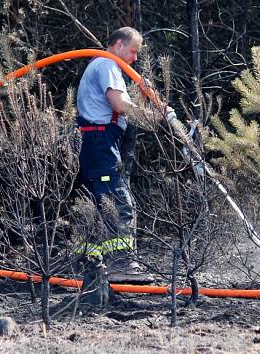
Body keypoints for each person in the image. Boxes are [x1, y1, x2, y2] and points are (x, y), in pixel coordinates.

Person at [75, 27, 172, 284]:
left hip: (100, 141)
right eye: (133, 51)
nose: (135, 58)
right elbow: (119, 105)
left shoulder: (107, 67)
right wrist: (157, 116)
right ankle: (121, 264)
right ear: (118, 45)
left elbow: (123, 109)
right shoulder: (107, 63)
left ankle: (90, 265)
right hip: (100, 140)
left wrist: (142, 95)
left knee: (97, 204)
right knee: (118, 203)